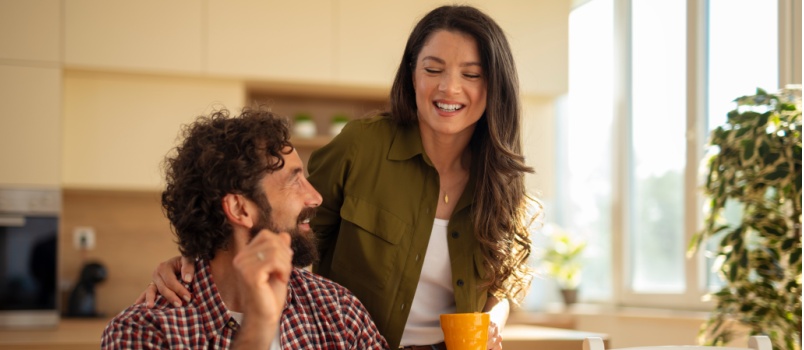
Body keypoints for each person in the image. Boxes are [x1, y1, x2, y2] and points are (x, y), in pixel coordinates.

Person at [142, 5, 541, 350]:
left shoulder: (500, 176)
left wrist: (492, 323)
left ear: (494, 85)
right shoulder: (362, 146)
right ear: (412, 75)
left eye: (471, 74)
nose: (448, 87)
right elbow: (283, 222)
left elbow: (502, 285)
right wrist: (198, 264)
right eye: (432, 68)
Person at [103, 108, 388, 349]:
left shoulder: (338, 310)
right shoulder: (144, 333)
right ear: (240, 209)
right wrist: (258, 326)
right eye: (294, 181)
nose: (315, 197)